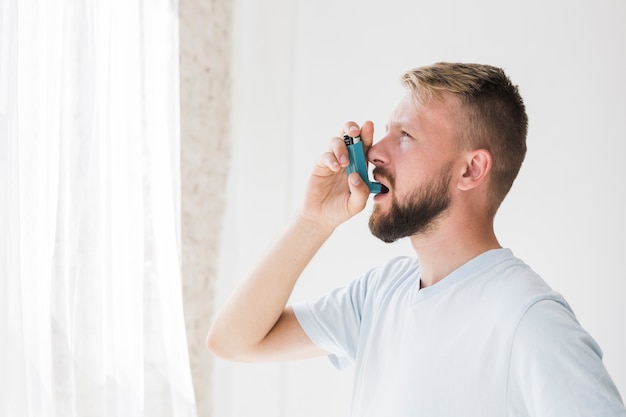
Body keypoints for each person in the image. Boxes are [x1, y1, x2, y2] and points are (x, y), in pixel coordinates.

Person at [207, 62, 626, 416]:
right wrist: (313, 221)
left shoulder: (528, 319)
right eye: (387, 131)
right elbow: (233, 340)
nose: (374, 153)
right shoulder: (380, 294)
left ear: (471, 170)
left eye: (405, 136)